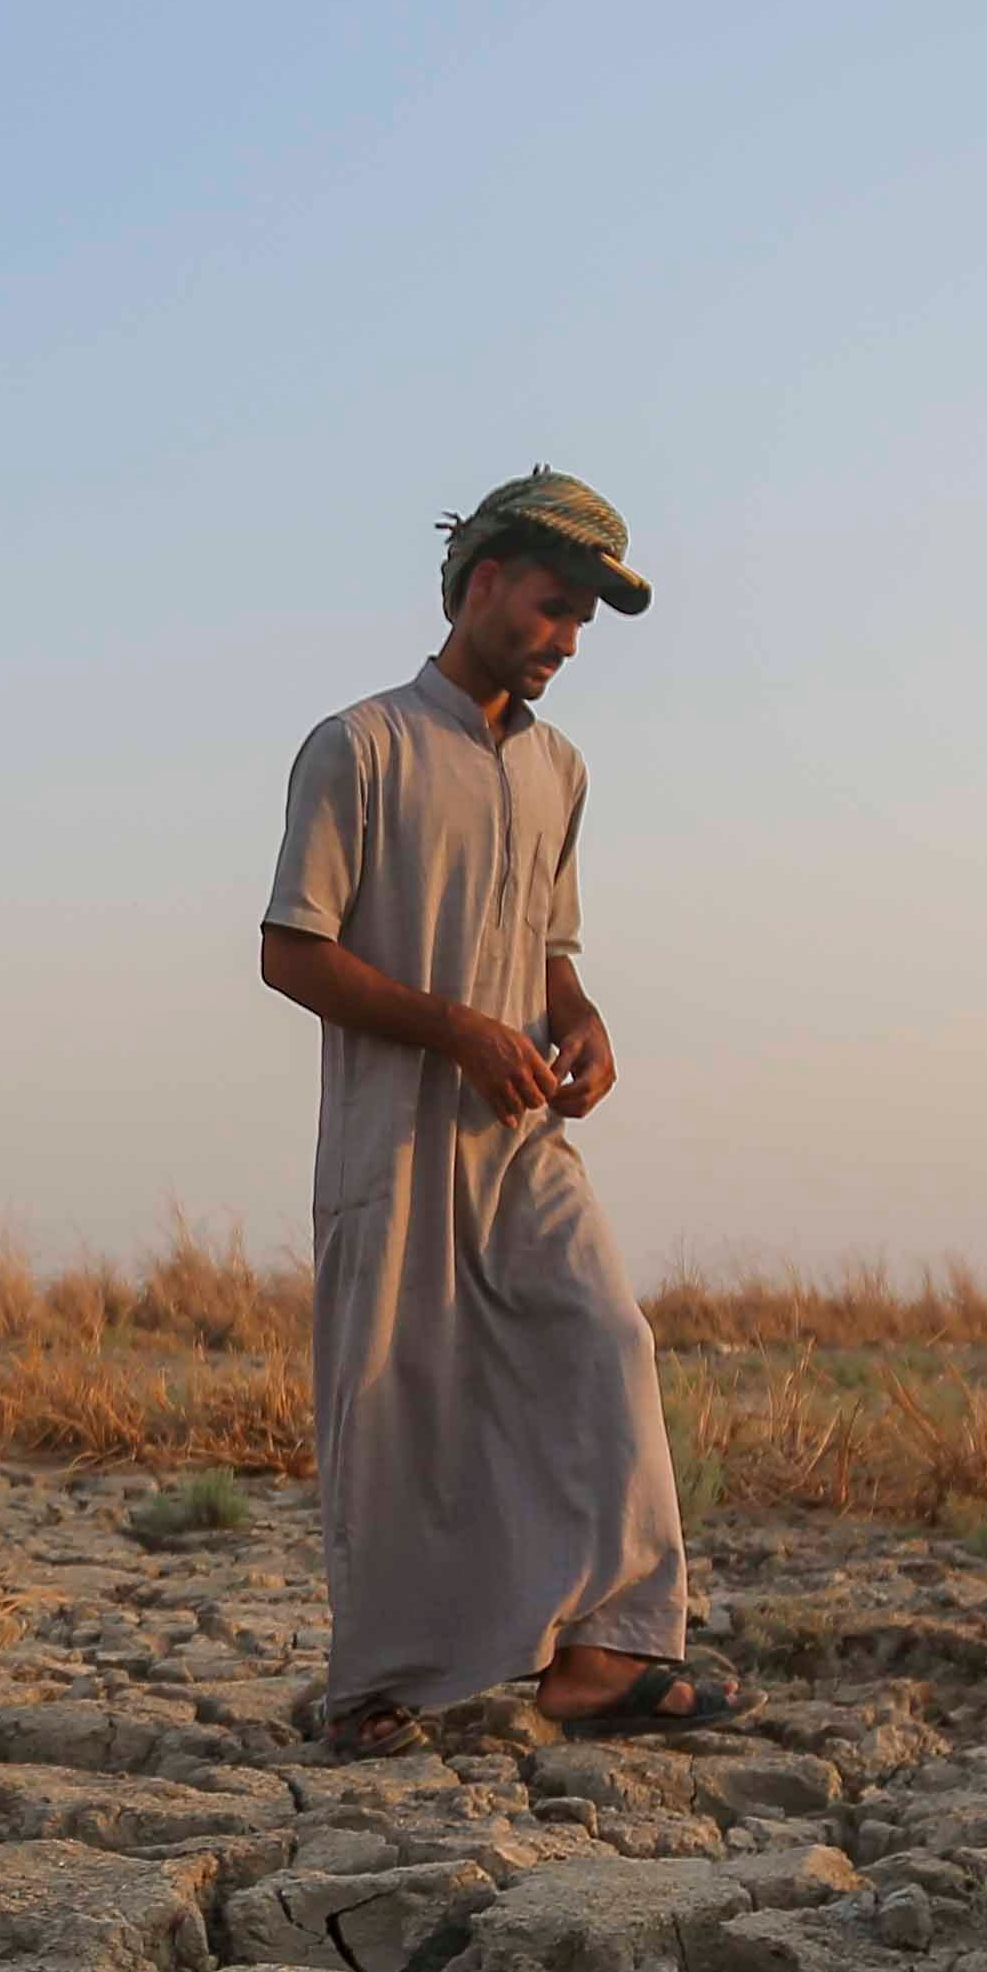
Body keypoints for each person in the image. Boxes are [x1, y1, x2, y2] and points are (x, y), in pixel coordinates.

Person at [255, 467, 726, 1757]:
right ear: (479, 586)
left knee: (603, 1338)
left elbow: (548, 945)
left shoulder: (561, 771)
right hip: (393, 1133)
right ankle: (381, 1689)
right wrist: (455, 1028)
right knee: (400, 1396)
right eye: (554, 606)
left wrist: (577, 1015)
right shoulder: (359, 746)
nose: (567, 640)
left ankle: (607, 1653)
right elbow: (291, 953)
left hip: (523, 1137)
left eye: (584, 622)